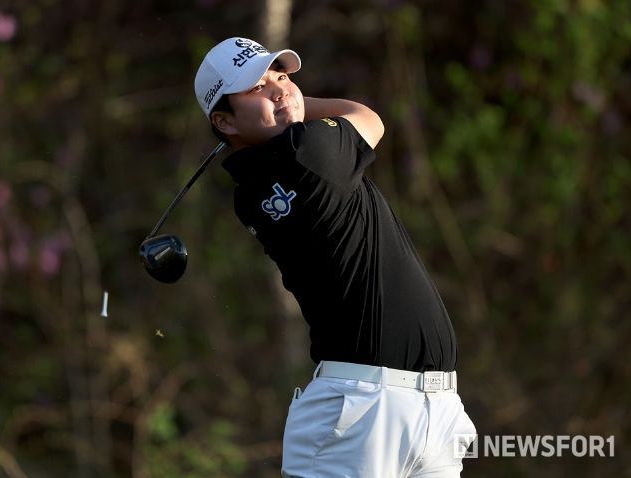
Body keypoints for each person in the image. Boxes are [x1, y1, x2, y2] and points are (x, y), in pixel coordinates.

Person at [194, 37, 476, 478]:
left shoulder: (252, 190)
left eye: (281, 76)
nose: (280, 89)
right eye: (257, 87)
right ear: (224, 121)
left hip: (425, 411)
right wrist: (300, 103)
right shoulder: (309, 151)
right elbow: (367, 117)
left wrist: (279, 105)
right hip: (360, 410)